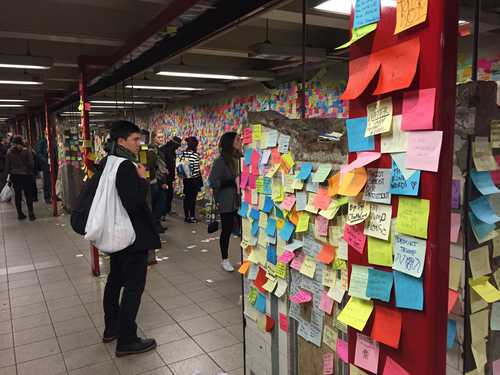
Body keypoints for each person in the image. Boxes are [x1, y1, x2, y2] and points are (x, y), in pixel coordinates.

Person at [102, 120, 159, 357]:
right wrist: (143, 179)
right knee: (134, 288)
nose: (140, 143)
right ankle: (127, 339)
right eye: (135, 139)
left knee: (115, 280)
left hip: (116, 234)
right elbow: (134, 202)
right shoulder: (126, 166)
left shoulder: (108, 161)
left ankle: (112, 328)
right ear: (121, 141)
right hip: (131, 237)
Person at [208, 132, 242, 272]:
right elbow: (213, 181)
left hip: (241, 200)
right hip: (227, 201)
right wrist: (231, 182)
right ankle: (225, 259)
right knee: (227, 229)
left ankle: (245, 257)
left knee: (243, 229)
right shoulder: (221, 161)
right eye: (238, 140)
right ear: (230, 142)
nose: (241, 141)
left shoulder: (241, 158)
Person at [3, 136, 36, 220]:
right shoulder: (27, 151)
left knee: (17, 195)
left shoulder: (9, 152)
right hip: (26, 175)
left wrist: (7, 177)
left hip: (15, 176)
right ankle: (31, 214)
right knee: (28, 194)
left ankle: (20, 214)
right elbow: (32, 164)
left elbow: (7, 167)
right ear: (21, 143)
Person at [147, 130, 168, 234]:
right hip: (155, 181)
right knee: (158, 204)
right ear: (153, 138)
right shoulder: (152, 151)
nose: (161, 139)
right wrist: (160, 181)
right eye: (159, 137)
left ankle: (156, 225)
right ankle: (154, 225)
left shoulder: (155, 150)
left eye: (162, 137)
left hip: (156, 180)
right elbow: (153, 168)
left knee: (158, 204)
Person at [180, 136, 202, 223]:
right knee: (192, 198)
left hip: (186, 179)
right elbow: (196, 170)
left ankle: (187, 216)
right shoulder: (195, 155)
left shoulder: (183, 154)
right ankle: (192, 216)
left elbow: (181, 169)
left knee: (187, 198)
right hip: (193, 180)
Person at [159, 136, 182, 216]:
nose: (178, 148)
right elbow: (161, 166)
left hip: (169, 178)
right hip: (163, 178)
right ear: (174, 144)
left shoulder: (172, 151)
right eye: (177, 146)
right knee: (163, 196)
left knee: (169, 195)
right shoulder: (163, 150)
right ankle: (162, 213)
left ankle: (166, 211)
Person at [35, 136, 51, 204]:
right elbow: (39, 153)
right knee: (47, 180)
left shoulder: (52, 139)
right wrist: (45, 160)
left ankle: (53, 194)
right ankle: (47, 197)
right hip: (46, 164)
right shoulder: (42, 141)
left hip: (52, 163)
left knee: (53, 179)